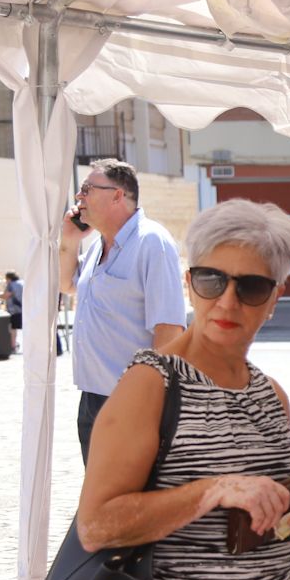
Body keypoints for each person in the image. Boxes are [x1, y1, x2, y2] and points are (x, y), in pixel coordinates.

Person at [75, 199, 290, 580]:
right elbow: (97, 526)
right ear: (189, 283)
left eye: (250, 287)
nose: (228, 302)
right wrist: (212, 491)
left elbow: (265, 503)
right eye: (212, 280)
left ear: (275, 297)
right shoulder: (151, 383)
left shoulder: (271, 394)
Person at [59, 159, 187, 464]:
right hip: (93, 397)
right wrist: (69, 240)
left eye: (87, 189)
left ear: (118, 195)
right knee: (101, 499)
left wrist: (153, 403)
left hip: (131, 402)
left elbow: (169, 330)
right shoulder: (95, 247)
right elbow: (66, 284)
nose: (80, 197)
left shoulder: (151, 242)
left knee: (123, 502)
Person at [4, 271, 24, 352]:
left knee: (13, 329)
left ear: (8, 278)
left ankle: (13, 346)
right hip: (24, 309)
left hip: (15, 310)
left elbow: (6, 295)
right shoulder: (22, 283)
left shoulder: (11, 285)